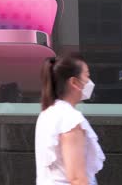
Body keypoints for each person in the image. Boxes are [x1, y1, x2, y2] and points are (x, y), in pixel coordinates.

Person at [35, 55, 105, 185]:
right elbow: (76, 178)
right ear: (74, 82)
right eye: (86, 76)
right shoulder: (70, 119)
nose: (89, 81)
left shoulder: (48, 113)